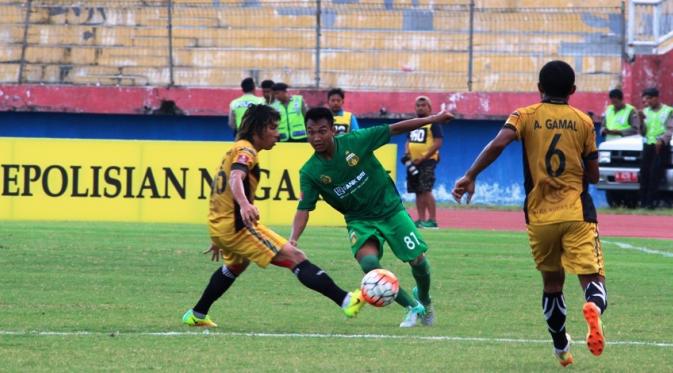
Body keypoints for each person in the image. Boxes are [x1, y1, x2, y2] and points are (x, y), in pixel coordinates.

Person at [451, 61, 607, 367]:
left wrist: (471, 175)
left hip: (539, 215)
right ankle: (593, 307)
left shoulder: (524, 116)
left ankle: (561, 346)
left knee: (552, 284)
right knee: (593, 278)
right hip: (576, 212)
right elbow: (594, 175)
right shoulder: (584, 122)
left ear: (539, 88)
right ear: (573, 91)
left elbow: (499, 143)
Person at [182, 105, 366, 327]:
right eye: (272, 127)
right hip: (236, 226)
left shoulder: (236, 148)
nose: (277, 133)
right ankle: (347, 301)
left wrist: (217, 235)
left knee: (235, 266)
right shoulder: (247, 151)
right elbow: (235, 178)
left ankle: (197, 314)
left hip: (222, 225)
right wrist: (243, 206)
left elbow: (221, 188)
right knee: (295, 256)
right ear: (258, 129)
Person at [290, 106, 454, 328]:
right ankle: (412, 306)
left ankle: (424, 298)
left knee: (418, 262)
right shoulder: (310, 171)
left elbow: (395, 128)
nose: (316, 137)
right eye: (310, 132)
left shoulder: (356, 141)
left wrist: (434, 119)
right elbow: (304, 208)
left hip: (390, 209)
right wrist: (293, 239)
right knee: (369, 263)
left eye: (322, 131)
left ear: (332, 130)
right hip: (359, 220)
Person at [404, 96, 443, 228]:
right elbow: (408, 140)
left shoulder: (434, 122)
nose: (420, 107)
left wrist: (424, 157)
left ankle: (432, 220)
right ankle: (421, 219)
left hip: (427, 162)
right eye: (418, 105)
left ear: (429, 108)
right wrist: (407, 154)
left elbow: (438, 142)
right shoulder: (413, 123)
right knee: (417, 191)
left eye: (423, 105)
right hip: (413, 163)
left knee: (426, 189)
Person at [639, 87, 673, 209]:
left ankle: (651, 203)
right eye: (645, 99)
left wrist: (662, 140)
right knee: (644, 173)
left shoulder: (668, 111)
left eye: (649, 99)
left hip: (661, 147)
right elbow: (643, 132)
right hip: (648, 145)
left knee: (655, 174)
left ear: (656, 98)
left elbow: (670, 129)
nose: (646, 102)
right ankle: (643, 203)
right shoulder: (645, 112)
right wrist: (640, 120)